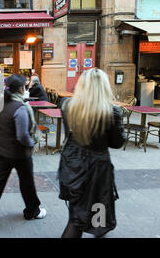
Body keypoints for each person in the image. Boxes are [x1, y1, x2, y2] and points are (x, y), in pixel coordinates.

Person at [0, 74, 46, 230]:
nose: (26, 89)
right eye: (25, 87)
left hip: (3, 150)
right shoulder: (20, 108)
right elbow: (22, 135)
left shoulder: (1, 103)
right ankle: (33, 211)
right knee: (27, 183)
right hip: (19, 154)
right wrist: (31, 143)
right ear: (20, 89)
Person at [58, 68, 126, 238]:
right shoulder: (112, 111)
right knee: (99, 214)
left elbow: (69, 134)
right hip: (97, 171)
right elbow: (117, 143)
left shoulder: (67, 105)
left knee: (75, 216)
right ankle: (98, 230)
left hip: (73, 166)